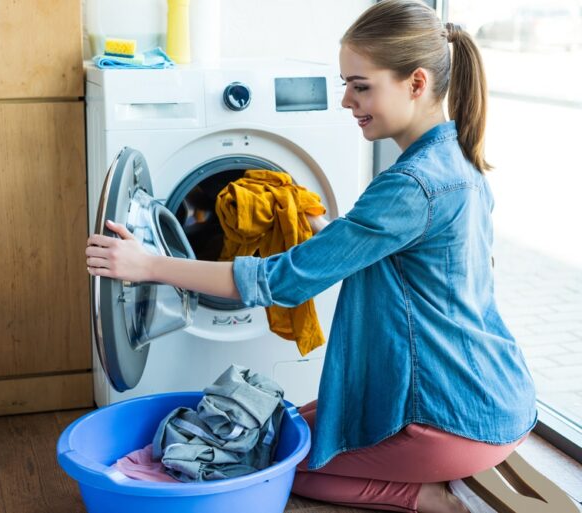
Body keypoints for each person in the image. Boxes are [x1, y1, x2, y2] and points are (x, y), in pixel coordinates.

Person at [85, 0, 537, 511]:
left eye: (361, 85)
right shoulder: (452, 158)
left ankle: (431, 497)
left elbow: (280, 282)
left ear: (416, 83)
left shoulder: (410, 185)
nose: (346, 99)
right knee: (286, 430)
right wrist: (326, 231)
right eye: (345, 82)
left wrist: (149, 266)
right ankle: (431, 475)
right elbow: (408, 255)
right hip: (495, 393)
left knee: (273, 466)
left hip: (447, 416)